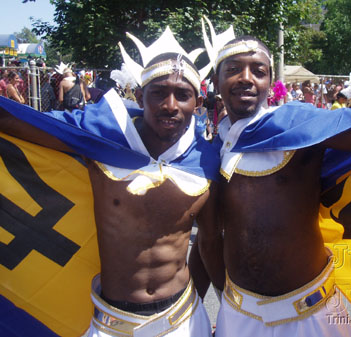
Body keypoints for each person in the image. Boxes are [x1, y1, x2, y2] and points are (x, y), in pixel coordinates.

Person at [198, 35, 351, 337]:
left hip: (310, 316)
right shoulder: (211, 149)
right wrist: (222, 301)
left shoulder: (298, 123)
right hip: (238, 314)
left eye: (259, 71)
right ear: (216, 79)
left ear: (270, 81)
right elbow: (208, 238)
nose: (246, 78)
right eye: (234, 69)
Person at [0, 41, 220, 336]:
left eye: (182, 95)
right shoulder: (103, 134)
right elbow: (18, 124)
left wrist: (225, 306)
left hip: (184, 319)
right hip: (112, 323)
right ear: (140, 96)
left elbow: (208, 243)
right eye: (158, 93)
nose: (170, 105)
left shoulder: (207, 160)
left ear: (198, 102)